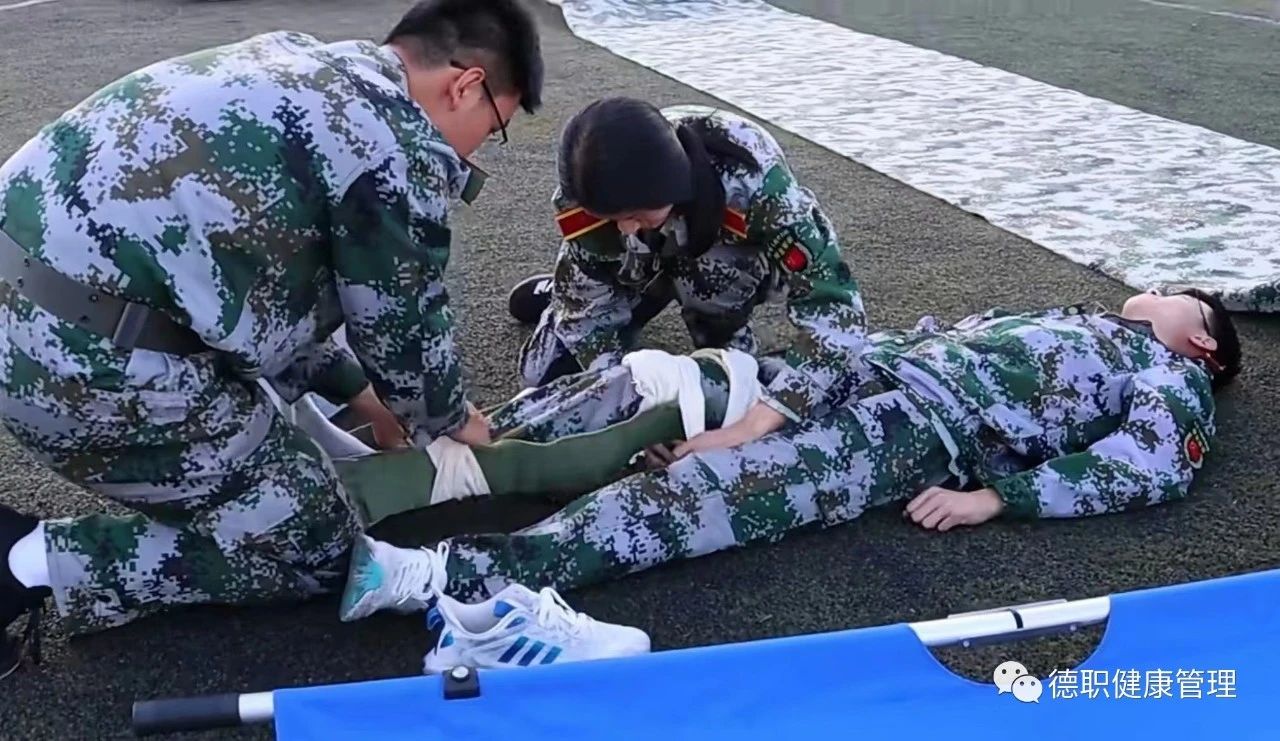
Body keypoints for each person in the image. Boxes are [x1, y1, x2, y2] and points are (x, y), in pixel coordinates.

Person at [0, 0, 544, 676]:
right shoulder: (396, 143)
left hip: (36, 305)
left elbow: (259, 288)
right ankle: (26, 561)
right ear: (465, 85)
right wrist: (451, 419)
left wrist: (358, 392)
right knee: (323, 545)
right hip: (74, 367)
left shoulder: (293, 56)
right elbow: (404, 332)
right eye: (492, 128)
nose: (475, 151)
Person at [337, 288, 1241, 625]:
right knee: (653, 383)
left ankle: (440, 575)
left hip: (913, 429)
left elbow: (1149, 464)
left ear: (1201, 339)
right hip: (857, 369)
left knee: (709, 491)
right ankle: (425, 454)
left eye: (1181, 298)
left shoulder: (1173, 373)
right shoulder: (1074, 318)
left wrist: (999, 497)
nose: (1157, 292)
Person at [507, 97, 869, 458]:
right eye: (614, 218)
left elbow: (836, 315)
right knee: (541, 376)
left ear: (669, 185)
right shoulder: (588, 188)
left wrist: (754, 423)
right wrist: (634, 409)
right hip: (638, 268)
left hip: (722, 261)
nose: (626, 228)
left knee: (724, 382)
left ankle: (721, 331)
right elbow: (589, 319)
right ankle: (560, 292)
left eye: (634, 214)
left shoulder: (758, 187)